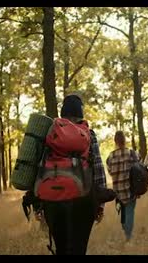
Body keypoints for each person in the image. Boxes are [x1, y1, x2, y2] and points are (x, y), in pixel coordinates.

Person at [33, 94, 110, 255]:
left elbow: (39, 167)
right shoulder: (89, 134)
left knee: (61, 249)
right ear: (80, 113)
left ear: (63, 113)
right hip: (83, 199)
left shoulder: (50, 133)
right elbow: (97, 168)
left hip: (52, 199)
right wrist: (100, 203)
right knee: (79, 249)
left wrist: (37, 203)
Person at [106, 131, 139, 242]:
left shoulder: (111, 156)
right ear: (124, 140)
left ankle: (125, 228)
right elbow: (138, 169)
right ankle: (128, 236)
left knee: (124, 210)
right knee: (130, 211)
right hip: (130, 189)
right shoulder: (131, 153)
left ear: (115, 141)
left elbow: (110, 171)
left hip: (118, 190)